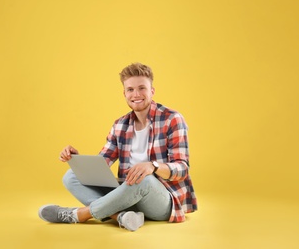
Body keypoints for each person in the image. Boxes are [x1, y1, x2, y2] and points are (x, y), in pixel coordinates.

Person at [38, 62, 197, 231]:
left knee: (144, 178)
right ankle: (123, 216)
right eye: (130, 89)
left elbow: (182, 168)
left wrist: (153, 166)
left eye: (142, 88)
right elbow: (102, 164)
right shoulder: (120, 125)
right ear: (124, 93)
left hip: (161, 200)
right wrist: (78, 160)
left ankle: (79, 214)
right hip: (128, 195)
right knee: (71, 176)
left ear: (152, 91)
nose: (136, 94)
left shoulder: (172, 119)